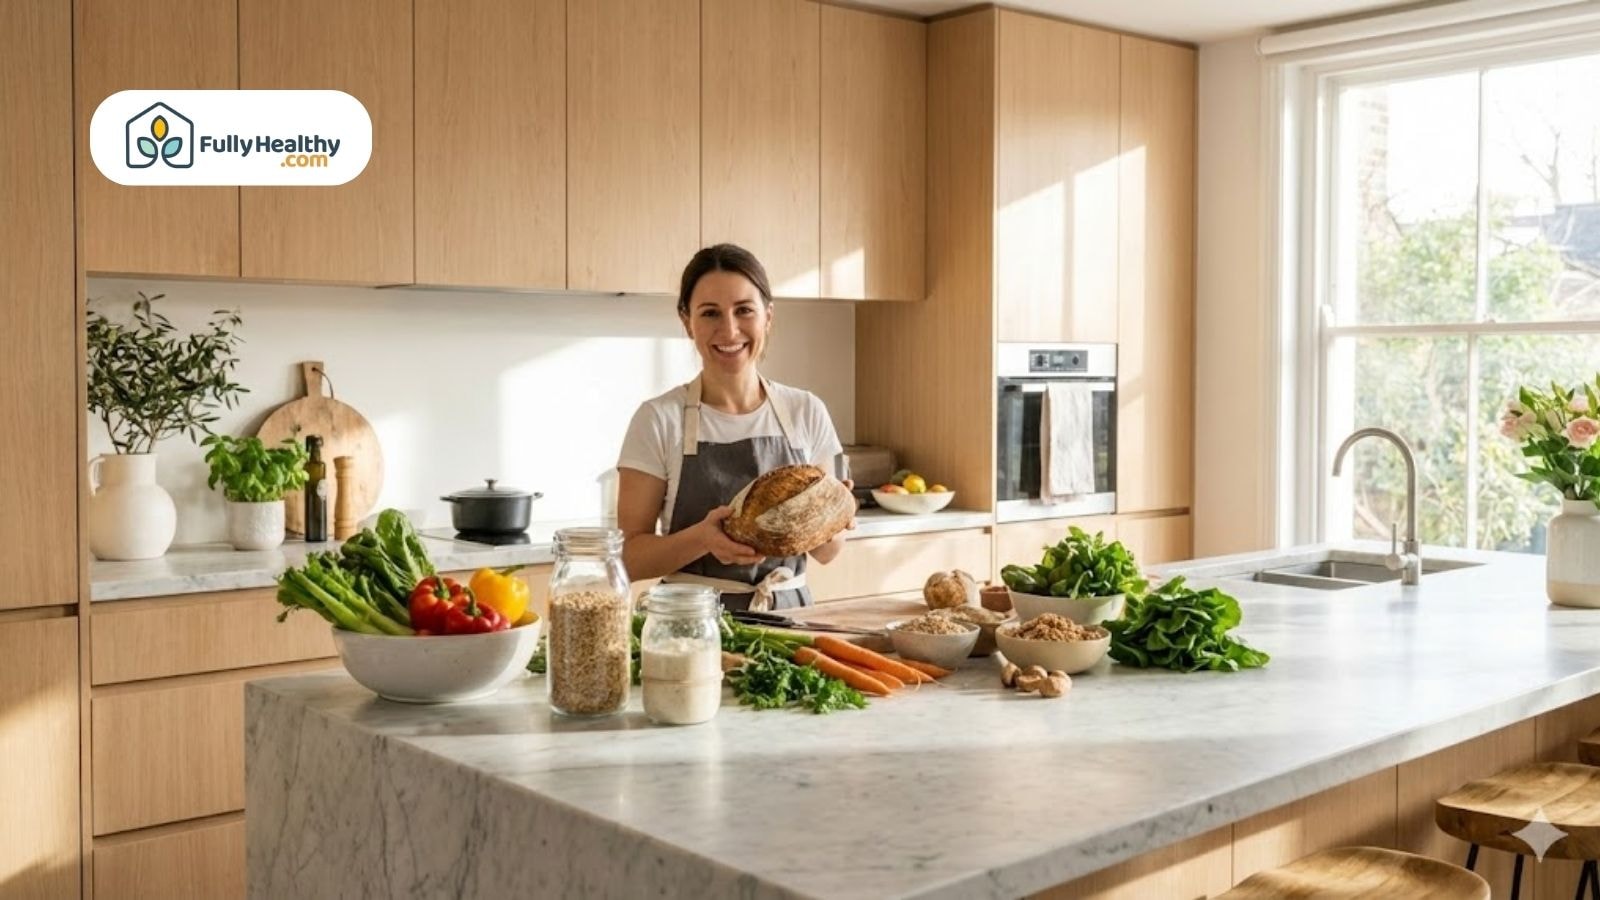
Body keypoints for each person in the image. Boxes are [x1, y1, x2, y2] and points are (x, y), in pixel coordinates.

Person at [616, 244, 851, 611]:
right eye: (710, 313)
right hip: (689, 626)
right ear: (686, 320)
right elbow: (628, 558)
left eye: (744, 310)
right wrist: (703, 539)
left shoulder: (806, 411)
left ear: (768, 316)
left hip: (793, 619)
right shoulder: (658, 419)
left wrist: (830, 517)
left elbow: (829, 552)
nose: (729, 329)